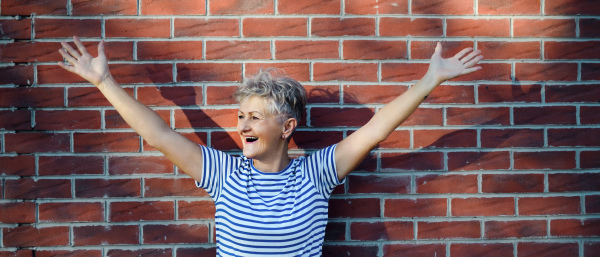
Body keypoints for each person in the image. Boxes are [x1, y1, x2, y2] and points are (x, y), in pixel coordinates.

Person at [58, 36, 483, 256]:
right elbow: (159, 135)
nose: (242, 125)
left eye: (255, 117)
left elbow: (375, 130)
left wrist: (431, 80)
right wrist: (104, 82)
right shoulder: (224, 174)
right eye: (241, 116)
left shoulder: (315, 174)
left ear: (287, 127)